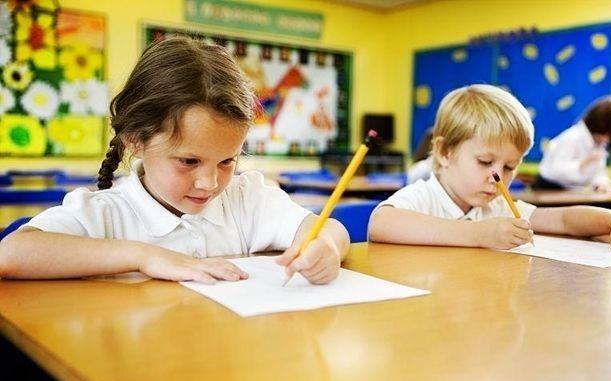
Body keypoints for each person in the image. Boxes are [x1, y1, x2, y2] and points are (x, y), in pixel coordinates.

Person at [0, 37, 350, 283]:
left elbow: (328, 228)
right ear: (136, 140)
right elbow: (13, 253)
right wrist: (143, 256)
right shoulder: (105, 213)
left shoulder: (247, 199)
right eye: (188, 161)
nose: (210, 183)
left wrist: (323, 245)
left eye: (228, 161)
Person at [369, 84, 611, 255]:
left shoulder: (497, 205)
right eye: (485, 162)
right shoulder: (426, 197)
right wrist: (477, 234)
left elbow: (563, 220)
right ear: (444, 152)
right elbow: (380, 223)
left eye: (510, 166)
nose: (498, 178)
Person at [535, 97, 611, 192]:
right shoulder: (572, 137)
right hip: (548, 189)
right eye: (610, 133)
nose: (607, 139)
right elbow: (555, 171)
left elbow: (598, 172)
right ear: (602, 123)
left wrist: (601, 184)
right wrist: (585, 162)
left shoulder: (599, 144)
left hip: (571, 191)